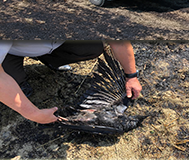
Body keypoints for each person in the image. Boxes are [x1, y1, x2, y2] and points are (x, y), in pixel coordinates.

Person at [0, 41, 142, 125]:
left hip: (48, 44)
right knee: (13, 86)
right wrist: (33, 113)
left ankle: (49, 58)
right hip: (10, 51)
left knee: (91, 46)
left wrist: (131, 76)